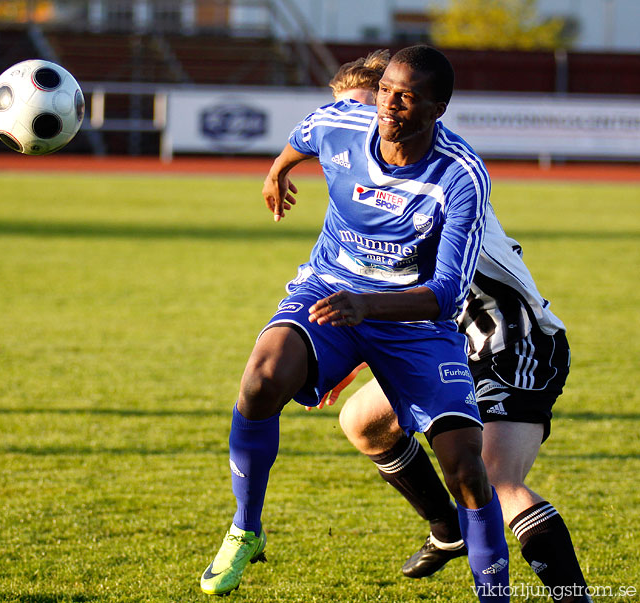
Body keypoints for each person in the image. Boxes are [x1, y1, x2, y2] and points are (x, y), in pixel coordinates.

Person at [200, 45, 511, 601]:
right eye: (387, 89)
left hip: (413, 320)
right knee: (261, 379)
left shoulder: (461, 177)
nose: (389, 104)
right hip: (328, 289)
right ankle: (245, 529)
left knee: (465, 467)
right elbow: (304, 136)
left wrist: (367, 306)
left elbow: (446, 295)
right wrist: (277, 172)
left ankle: (495, 591)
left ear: (437, 109)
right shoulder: (343, 121)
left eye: (407, 97)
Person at [308, 51, 593, 603]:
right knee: (364, 424)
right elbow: (382, 288)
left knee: (493, 479)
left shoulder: (441, 176)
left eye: (361, 108)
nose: (353, 122)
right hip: (444, 337)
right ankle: (449, 531)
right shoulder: (369, 177)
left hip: (511, 339)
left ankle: (575, 596)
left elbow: (438, 294)